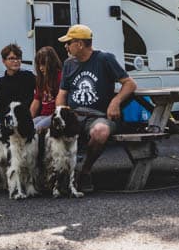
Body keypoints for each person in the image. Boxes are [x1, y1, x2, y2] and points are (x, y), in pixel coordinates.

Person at [55, 23, 136, 191]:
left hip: (98, 116)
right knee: (46, 131)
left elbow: (129, 84)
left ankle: (85, 172)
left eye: (68, 42)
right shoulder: (69, 64)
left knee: (100, 132)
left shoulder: (104, 59)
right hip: (74, 115)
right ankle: (57, 177)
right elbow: (62, 93)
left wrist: (115, 101)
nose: (66, 46)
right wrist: (59, 114)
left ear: (80, 44)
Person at [0, 43, 36, 138]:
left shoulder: (29, 77)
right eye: (11, 58)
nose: (16, 61)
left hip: (25, 118)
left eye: (18, 58)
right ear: (4, 61)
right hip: (6, 119)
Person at [31, 45, 63, 130]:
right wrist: (27, 120)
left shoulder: (60, 77)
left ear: (51, 63)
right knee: (27, 127)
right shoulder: (41, 79)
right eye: (39, 64)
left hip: (55, 115)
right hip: (43, 115)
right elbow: (36, 102)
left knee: (36, 129)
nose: (41, 68)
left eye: (43, 64)